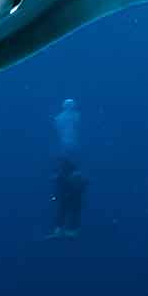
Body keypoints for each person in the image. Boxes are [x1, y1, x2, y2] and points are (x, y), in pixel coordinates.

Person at [49, 98, 87, 238]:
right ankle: (70, 228)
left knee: (64, 198)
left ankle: (60, 228)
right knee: (72, 198)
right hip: (72, 155)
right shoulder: (76, 116)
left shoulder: (58, 118)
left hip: (66, 155)